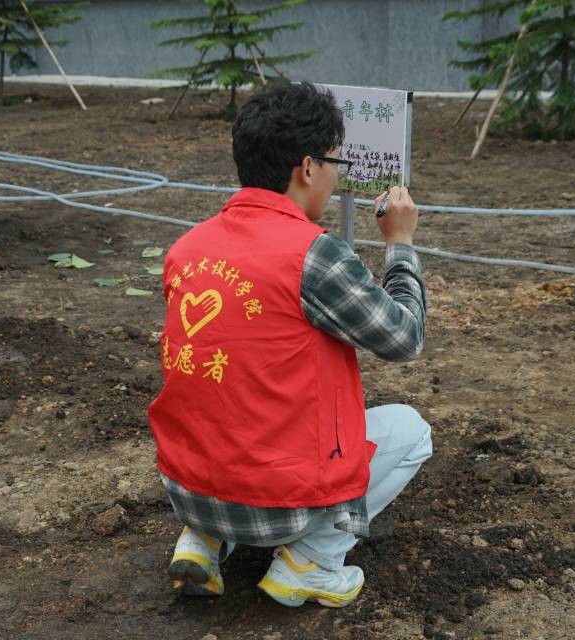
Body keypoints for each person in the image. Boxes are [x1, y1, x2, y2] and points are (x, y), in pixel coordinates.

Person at [147, 81, 432, 608]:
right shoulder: (313, 254)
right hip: (276, 504)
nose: (337, 175)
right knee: (412, 431)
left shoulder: (187, 248)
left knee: (229, 389)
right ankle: (311, 562)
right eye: (335, 162)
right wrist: (400, 245)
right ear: (307, 168)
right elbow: (404, 338)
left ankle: (202, 541)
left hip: (187, 488)